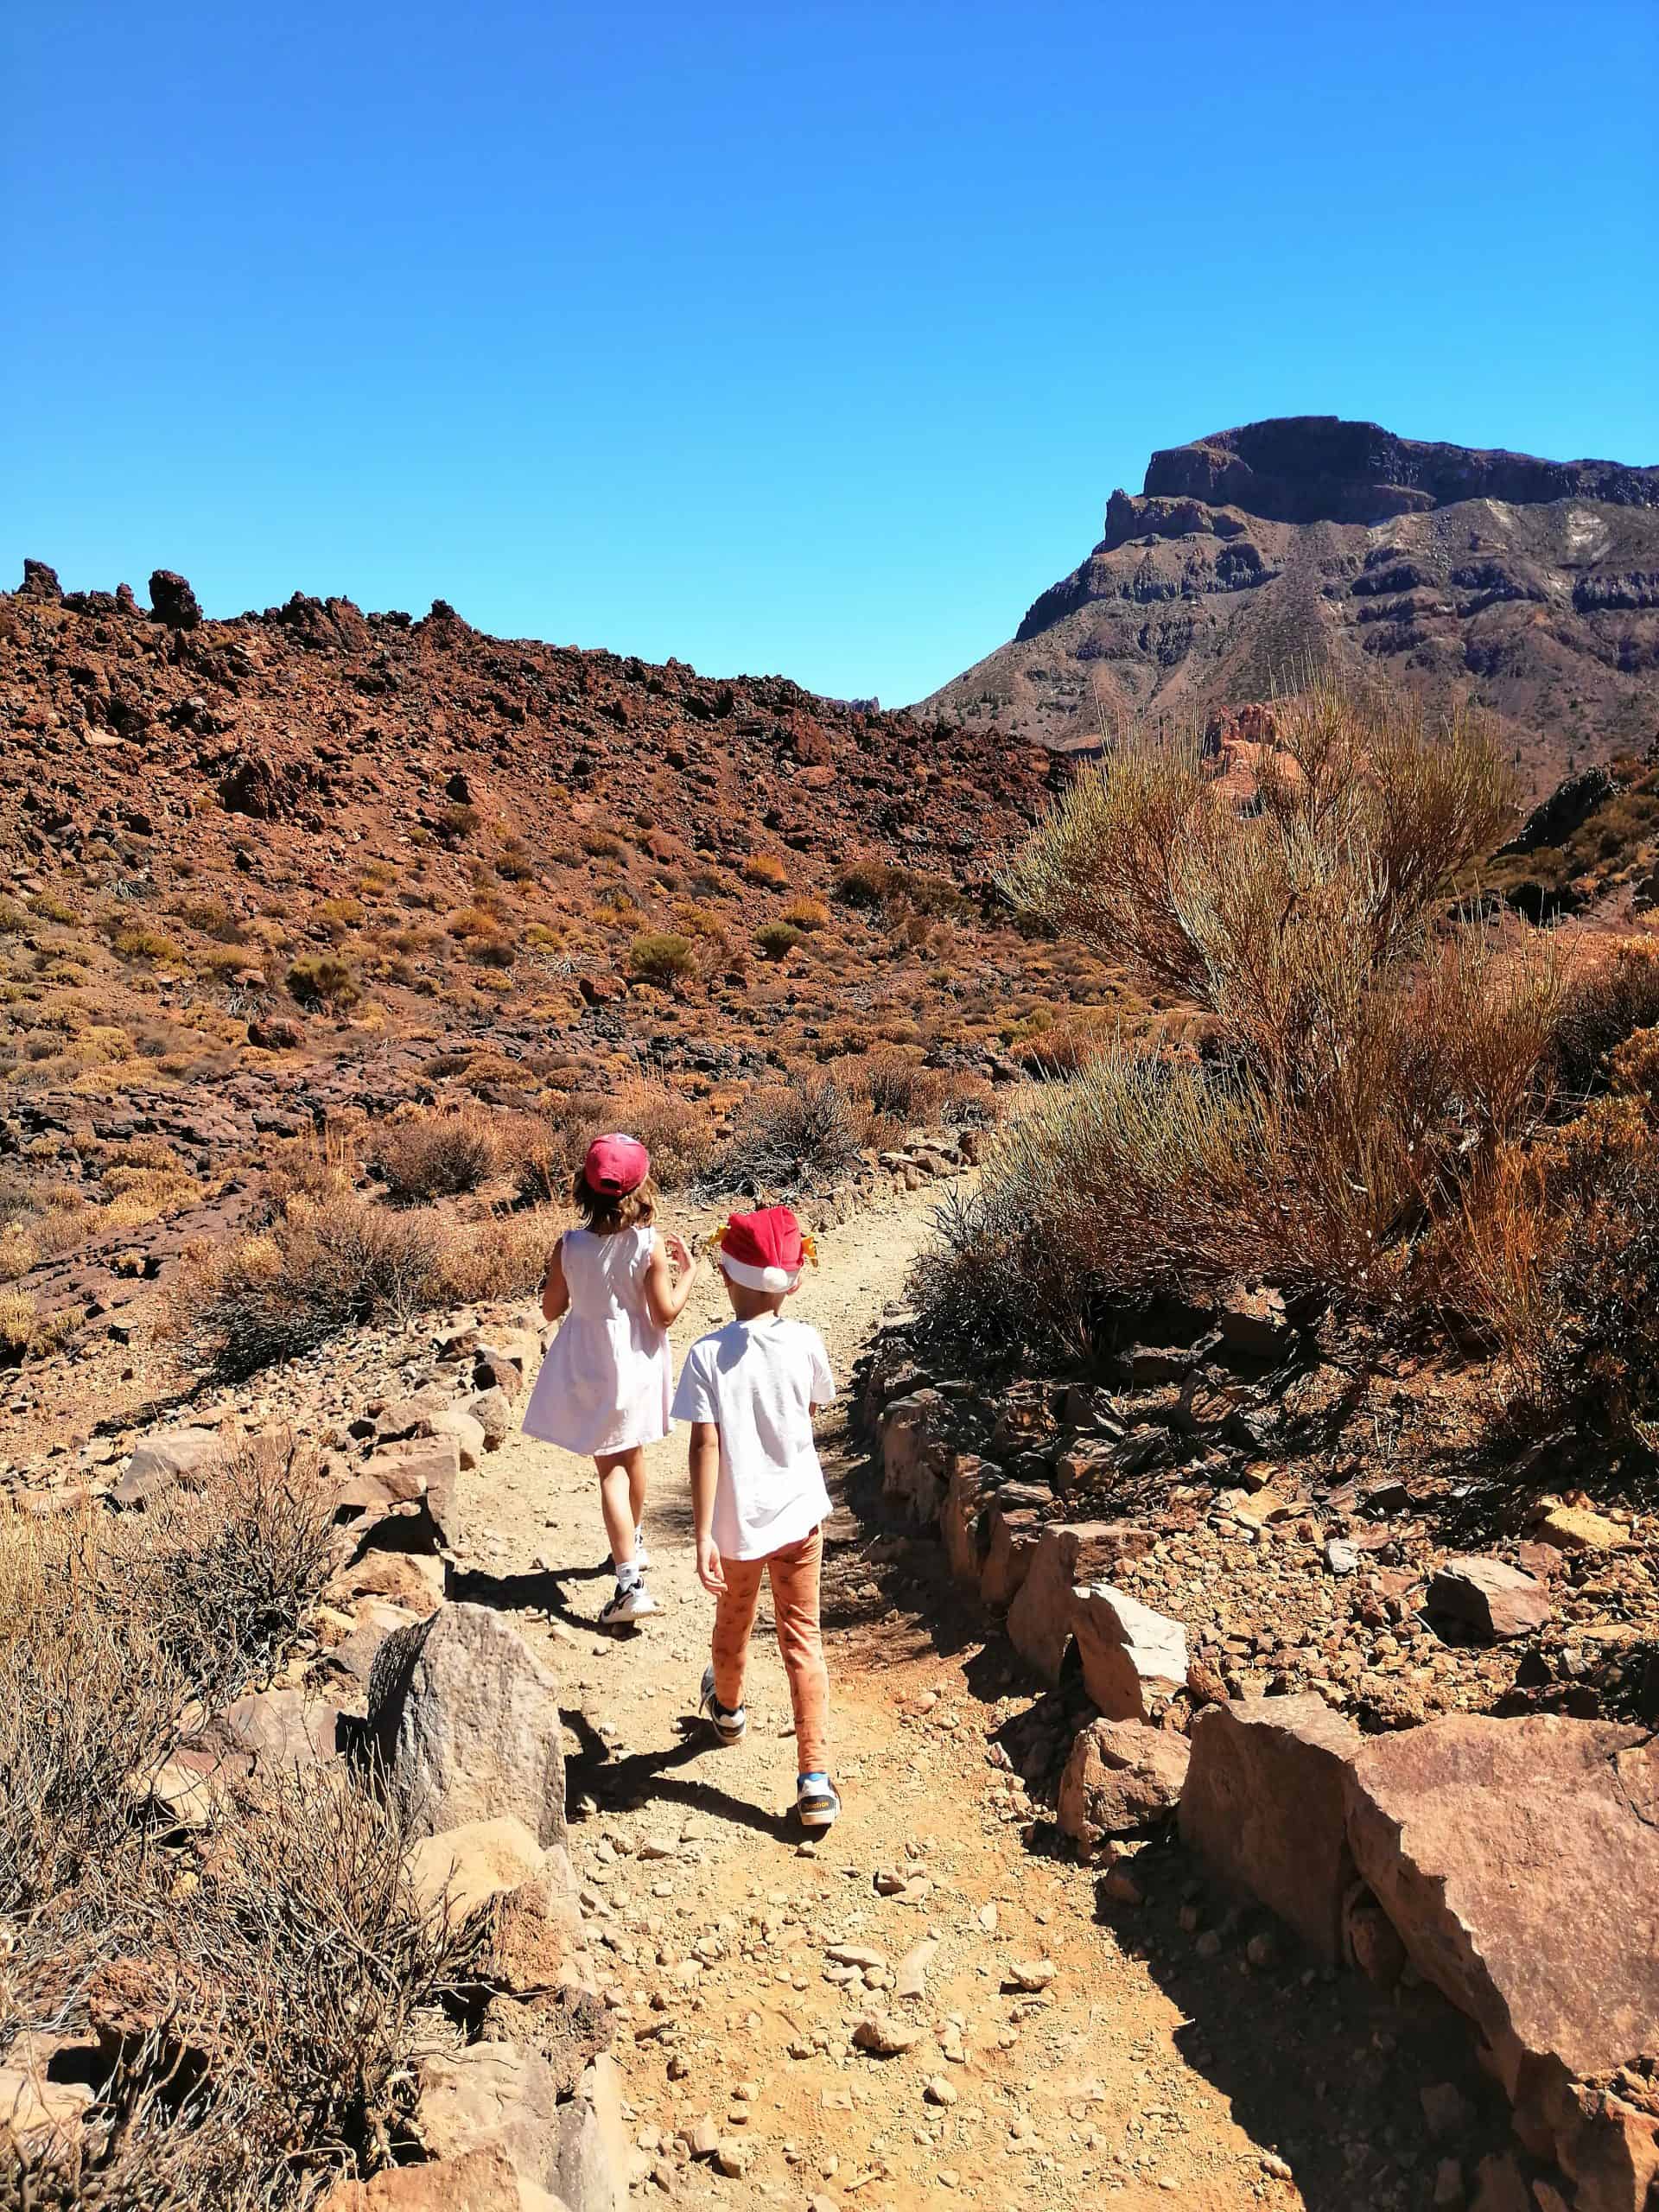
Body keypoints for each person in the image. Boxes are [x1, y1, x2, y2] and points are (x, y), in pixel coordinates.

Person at [671, 1205, 840, 1828]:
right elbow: (813, 1411)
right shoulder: (806, 1342)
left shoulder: (706, 1355)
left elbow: (705, 1446)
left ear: (724, 1274)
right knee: (803, 1642)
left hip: (738, 1527)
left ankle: (730, 1710)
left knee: (734, 1621)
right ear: (794, 1280)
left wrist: (703, 1534)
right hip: (798, 1519)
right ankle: (814, 1778)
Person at [522, 1133, 702, 1629]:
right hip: (639, 1361)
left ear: (585, 1185)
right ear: (643, 1187)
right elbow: (665, 1315)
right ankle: (633, 1543)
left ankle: (629, 1583)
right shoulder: (650, 1244)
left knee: (610, 1471)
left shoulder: (570, 1245)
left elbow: (551, 1308)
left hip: (591, 1363)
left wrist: (569, 1277)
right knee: (634, 1453)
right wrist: (690, 1273)